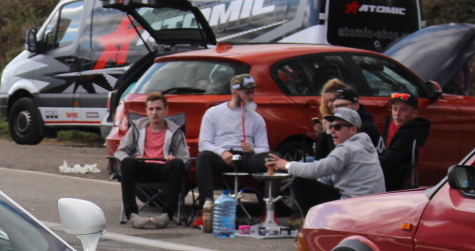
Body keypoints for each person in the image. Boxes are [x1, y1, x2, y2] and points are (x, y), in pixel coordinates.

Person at [267, 107, 385, 213]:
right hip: (371, 204)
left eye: (338, 127)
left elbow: (318, 169)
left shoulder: (347, 148)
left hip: (353, 206)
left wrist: (287, 165)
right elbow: (325, 167)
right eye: (331, 126)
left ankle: (312, 225)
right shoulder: (365, 146)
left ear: (353, 130)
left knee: (301, 182)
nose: (332, 130)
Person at [115, 92, 190, 229]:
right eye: (151, 109)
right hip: (143, 168)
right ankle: (132, 214)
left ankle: (166, 215)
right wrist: (131, 158)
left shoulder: (175, 130)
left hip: (164, 169)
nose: (154, 113)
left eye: (158, 108)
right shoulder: (137, 127)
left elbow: (185, 158)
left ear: (166, 110)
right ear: (146, 111)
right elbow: (120, 151)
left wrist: (175, 159)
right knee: (127, 162)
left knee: (178, 164)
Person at [195, 74, 270, 203]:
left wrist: (252, 150)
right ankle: (206, 208)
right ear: (235, 93)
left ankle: (269, 209)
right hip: (221, 157)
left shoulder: (257, 118)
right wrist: (222, 152)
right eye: (247, 93)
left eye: (253, 93)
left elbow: (264, 148)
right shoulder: (213, 113)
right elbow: (203, 144)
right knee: (203, 157)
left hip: (247, 158)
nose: (251, 97)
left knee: (272, 159)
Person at [380, 92, 430, 190]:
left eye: (403, 110)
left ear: (414, 113)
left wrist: (367, 161)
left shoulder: (408, 134)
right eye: (395, 109)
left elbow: (389, 161)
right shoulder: (408, 129)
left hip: (392, 184)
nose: (397, 114)